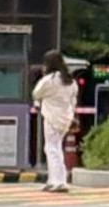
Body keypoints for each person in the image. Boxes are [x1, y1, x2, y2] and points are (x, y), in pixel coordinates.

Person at [32, 50, 79, 193]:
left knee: (51, 148)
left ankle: (57, 181)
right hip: (66, 117)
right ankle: (57, 179)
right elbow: (73, 99)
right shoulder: (70, 81)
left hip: (52, 116)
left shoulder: (49, 80)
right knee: (57, 147)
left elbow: (36, 93)